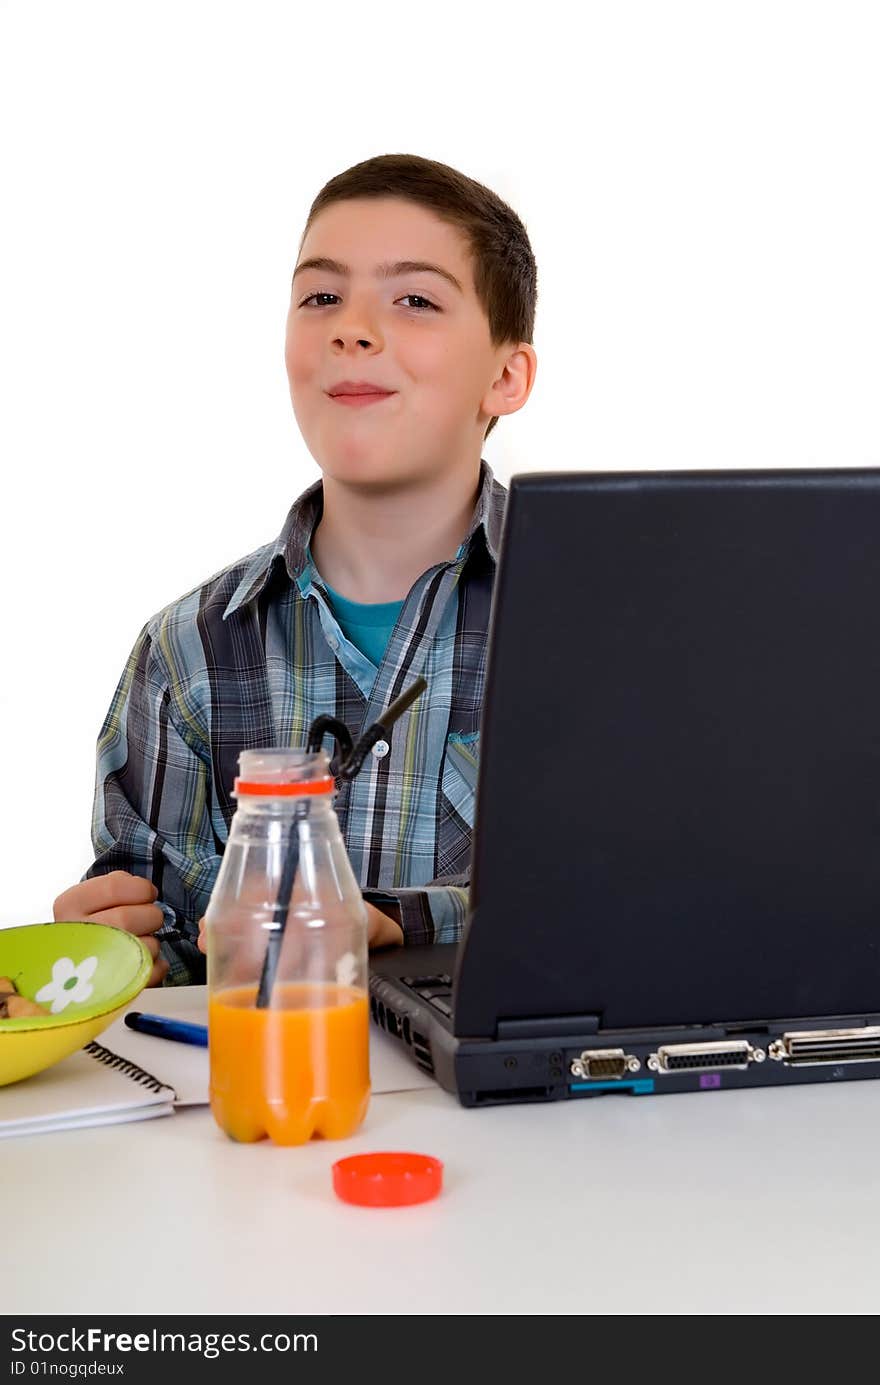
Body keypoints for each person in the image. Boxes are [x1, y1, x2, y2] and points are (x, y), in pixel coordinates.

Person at [51, 152, 539, 985]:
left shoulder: (601, 629)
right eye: (322, 297)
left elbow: (662, 895)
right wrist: (116, 948)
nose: (351, 328)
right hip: (264, 1102)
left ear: (505, 375)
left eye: (414, 299)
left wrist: (401, 920)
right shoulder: (187, 655)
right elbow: (160, 954)